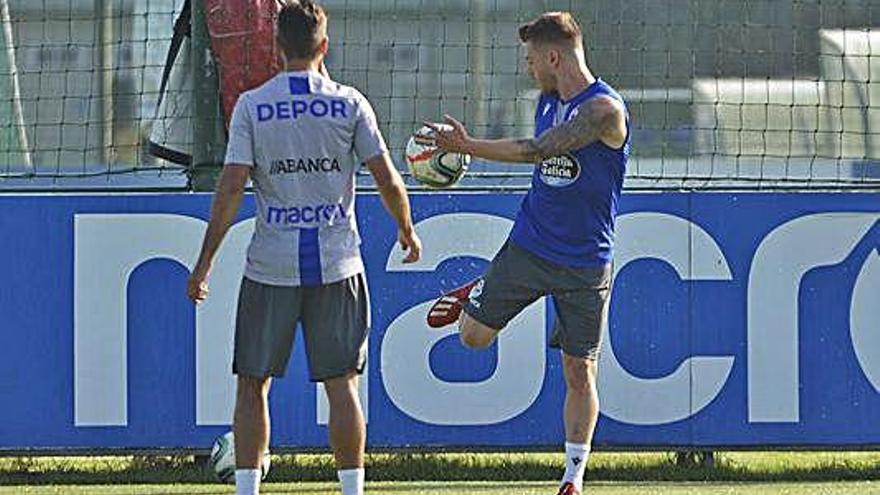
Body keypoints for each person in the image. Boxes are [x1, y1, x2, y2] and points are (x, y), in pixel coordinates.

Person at [186, 2, 422, 495]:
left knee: (253, 383)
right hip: (339, 265)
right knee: (342, 386)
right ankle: (352, 490)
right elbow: (385, 176)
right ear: (325, 47)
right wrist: (406, 228)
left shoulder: (252, 105)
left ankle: (248, 489)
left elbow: (231, 187)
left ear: (276, 46)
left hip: (270, 266)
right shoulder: (350, 103)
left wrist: (204, 262)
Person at [425, 11, 629, 495]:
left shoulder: (604, 111)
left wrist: (468, 145)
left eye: (531, 58)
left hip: (585, 262)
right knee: (473, 337)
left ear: (553, 56)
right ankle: (483, 289)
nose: (528, 67)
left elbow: (539, 150)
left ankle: (573, 477)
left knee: (579, 371)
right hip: (530, 247)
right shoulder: (545, 98)